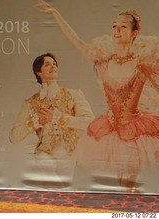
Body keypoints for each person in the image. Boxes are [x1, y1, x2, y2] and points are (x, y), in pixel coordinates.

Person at [35, 0, 159, 191]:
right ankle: (129, 197)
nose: (116, 30)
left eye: (123, 27)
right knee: (121, 181)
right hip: (109, 128)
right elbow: (76, 41)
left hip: (135, 131)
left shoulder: (142, 62)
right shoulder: (103, 62)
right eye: (114, 27)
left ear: (134, 33)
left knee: (128, 181)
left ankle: (130, 198)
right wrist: (54, 13)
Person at [9, 52, 95, 189]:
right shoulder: (30, 103)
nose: (53, 66)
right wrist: (34, 122)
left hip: (69, 153)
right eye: (47, 64)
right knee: (51, 177)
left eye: (54, 64)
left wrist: (59, 118)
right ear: (38, 71)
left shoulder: (73, 94)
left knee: (63, 189)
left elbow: (91, 123)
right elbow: (14, 136)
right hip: (44, 152)